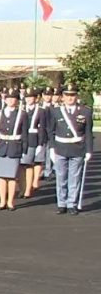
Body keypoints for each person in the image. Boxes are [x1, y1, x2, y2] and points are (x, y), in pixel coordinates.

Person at [47, 83, 93, 216]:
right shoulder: (55, 111)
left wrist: (89, 150)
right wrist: (52, 148)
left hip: (77, 148)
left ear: (76, 96)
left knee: (75, 177)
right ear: (63, 96)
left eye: (72, 95)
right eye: (67, 95)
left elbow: (88, 133)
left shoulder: (85, 111)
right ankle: (61, 203)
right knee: (61, 177)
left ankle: (72, 203)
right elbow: (51, 131)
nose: (70, 98)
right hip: (60, 147)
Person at [0, 88, 29, 211]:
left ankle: (10, 201)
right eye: (8, 98)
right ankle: (2, 201)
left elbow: (24, 133)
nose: (11, 100)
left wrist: (24, 149)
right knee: (1, 176)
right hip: (1, 147)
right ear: (5, 100)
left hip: (14, 147)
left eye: (13, 98)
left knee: (12, 177)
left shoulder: (22, 114)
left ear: (17, 100)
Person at [19, 87, 47, 198]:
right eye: (27, 97)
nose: (29, 99)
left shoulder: (40, 111)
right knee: (21, 165)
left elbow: (42, 128)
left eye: (31, 97)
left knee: (29, 164)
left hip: (33, 138)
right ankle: (22, 187)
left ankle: (28, 189)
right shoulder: (21, 109)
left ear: (35, 98)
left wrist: (40, 143)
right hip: (22, 138)